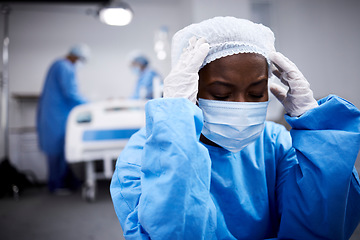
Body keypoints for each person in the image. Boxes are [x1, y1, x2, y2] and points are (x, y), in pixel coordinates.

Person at [110, 17, 360, 239]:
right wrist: (176, 134)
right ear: (190, 91)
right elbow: (170, 231)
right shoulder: (143, 158)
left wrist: (316, 128)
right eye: (221, 95)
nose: (241, 106)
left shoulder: (274, 143)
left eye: (256, 93)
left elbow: (325, 224)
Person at [37, 43, 90, 193]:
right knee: (57, 151)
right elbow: (70, 93)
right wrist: (90, 104)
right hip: (57, 117)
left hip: (53, 115)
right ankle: (57, 185)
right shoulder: (65, 67)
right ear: (76, 56)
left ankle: (60, 183)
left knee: (57, 151)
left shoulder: (57, 64)